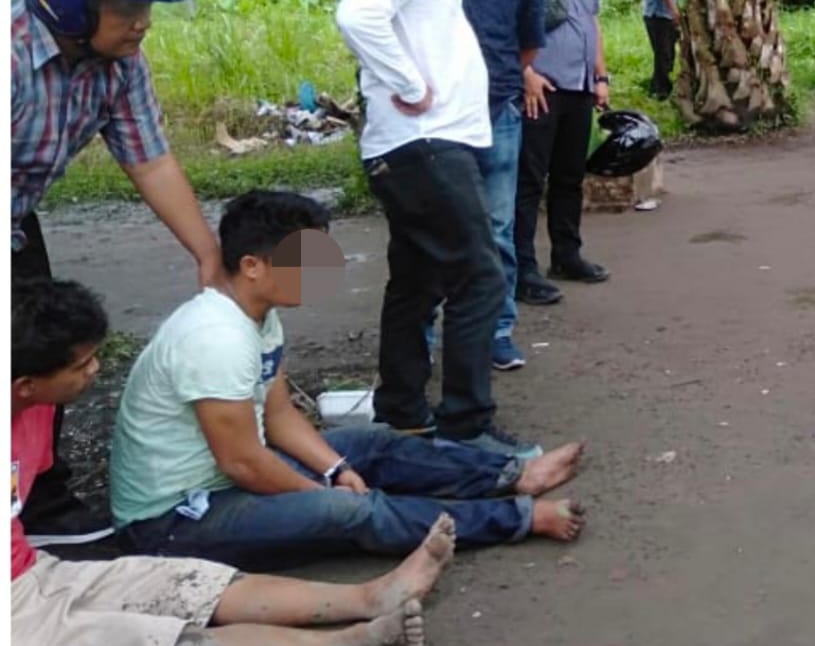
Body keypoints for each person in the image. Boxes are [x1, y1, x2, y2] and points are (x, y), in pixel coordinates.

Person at [12, 277, 458, 646]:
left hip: (33, 571)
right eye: (82, 364)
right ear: (26, 384)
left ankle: (370, 597)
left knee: (198, 584)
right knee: (156, 645)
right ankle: (353, 641)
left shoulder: (38, 409)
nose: (95, 370)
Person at [110, 190, 587, 569]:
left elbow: (279, 416)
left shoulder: (259, 317)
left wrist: (337, 468)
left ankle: (514, 476)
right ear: (252, 266)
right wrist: (322, 495)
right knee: (347, 510)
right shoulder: (215, 337)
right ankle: (518, 518)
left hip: (226, 478)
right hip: (176, 520)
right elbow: (242, 463)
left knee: (370, 444)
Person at [11, 0, 224, 546]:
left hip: (17, 215)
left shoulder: (120, 64)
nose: (143, 23)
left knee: (46, 352)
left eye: (147, 8)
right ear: (69, 5)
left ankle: (38, 501)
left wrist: (207, 255)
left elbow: (150, 159)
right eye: (126, 9)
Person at [336, 0, 538, 457]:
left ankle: (403, 412)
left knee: (417, 281)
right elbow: (357, 15)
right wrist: (409, 83)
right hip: (426, 145)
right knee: (480, 277)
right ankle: (467, 426)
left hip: (422, 145)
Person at [442, 0, 546, 371]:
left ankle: (499, 330)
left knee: (497, 228)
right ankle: (435, 333)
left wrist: (499, 78)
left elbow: (527, 47)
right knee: (440, 229)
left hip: (498, 111)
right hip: (438, 119)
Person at [511, 0, 610, 306]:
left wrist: (600, 76)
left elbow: (591, 22)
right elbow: (500, 24)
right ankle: (522, 270)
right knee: (528, 182)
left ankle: (567, 255)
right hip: (538, 87)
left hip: (579, 86)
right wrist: (525, 73)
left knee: (570, 177)